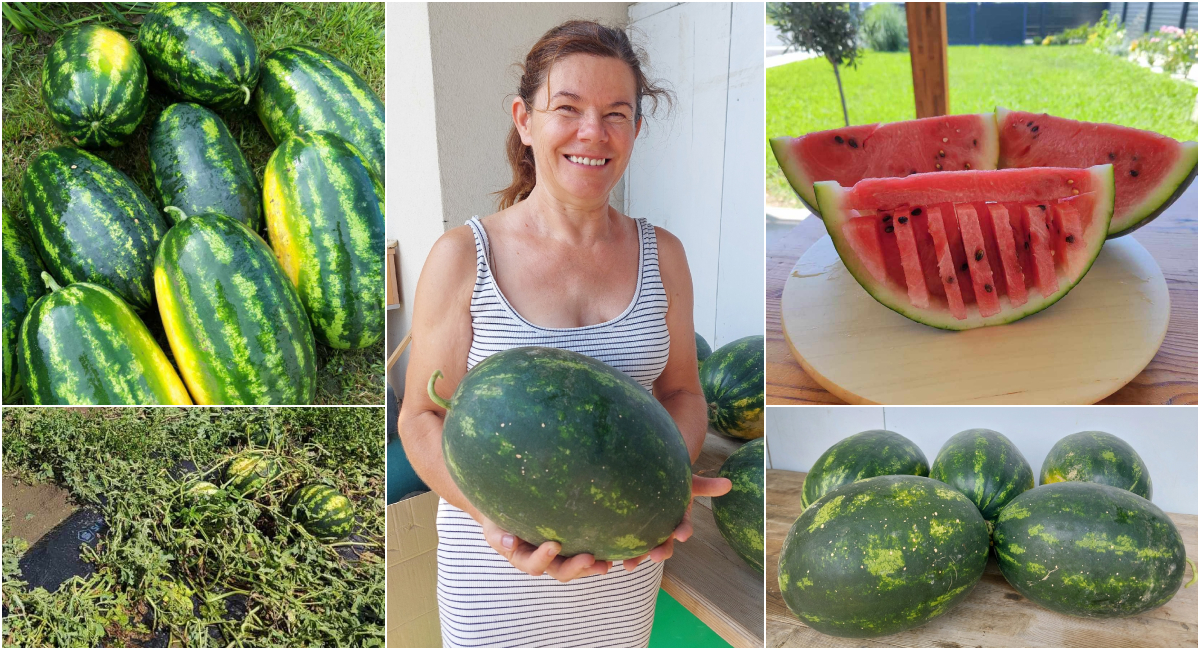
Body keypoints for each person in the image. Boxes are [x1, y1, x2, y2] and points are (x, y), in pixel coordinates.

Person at [398, 20, 730, 648]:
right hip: (495, 590)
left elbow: (682, 394)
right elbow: (420, 416)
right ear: (525, 120)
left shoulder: (664, 256)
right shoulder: (463, 256)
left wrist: (668, 474)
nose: (592, 133)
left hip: (623, 585)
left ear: (636, 130)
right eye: (568, 108)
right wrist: (495, 521)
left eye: (616, 114)